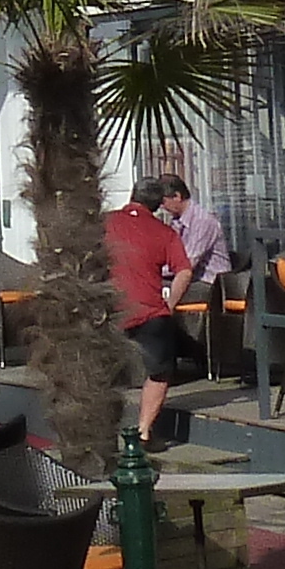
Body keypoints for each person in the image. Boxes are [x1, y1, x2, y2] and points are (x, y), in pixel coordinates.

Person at [106, 184, 198, 446]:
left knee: (102, 370)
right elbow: (185, 271)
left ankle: (103, 430)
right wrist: (171, 305)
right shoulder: (165, 233)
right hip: (150, 310)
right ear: (159, 205)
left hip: (109, 308)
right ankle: (143, 432)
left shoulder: (106, 223)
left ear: (131, 196)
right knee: (160, 372)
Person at [154, 177, 232, 297]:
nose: (162, 207)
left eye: (163, 202)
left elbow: (187, 264)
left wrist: (155, 271)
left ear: (177, 196)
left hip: (210, 283)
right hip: (189, 280)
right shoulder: (176, 222)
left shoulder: (202, 221)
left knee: (158, 292)